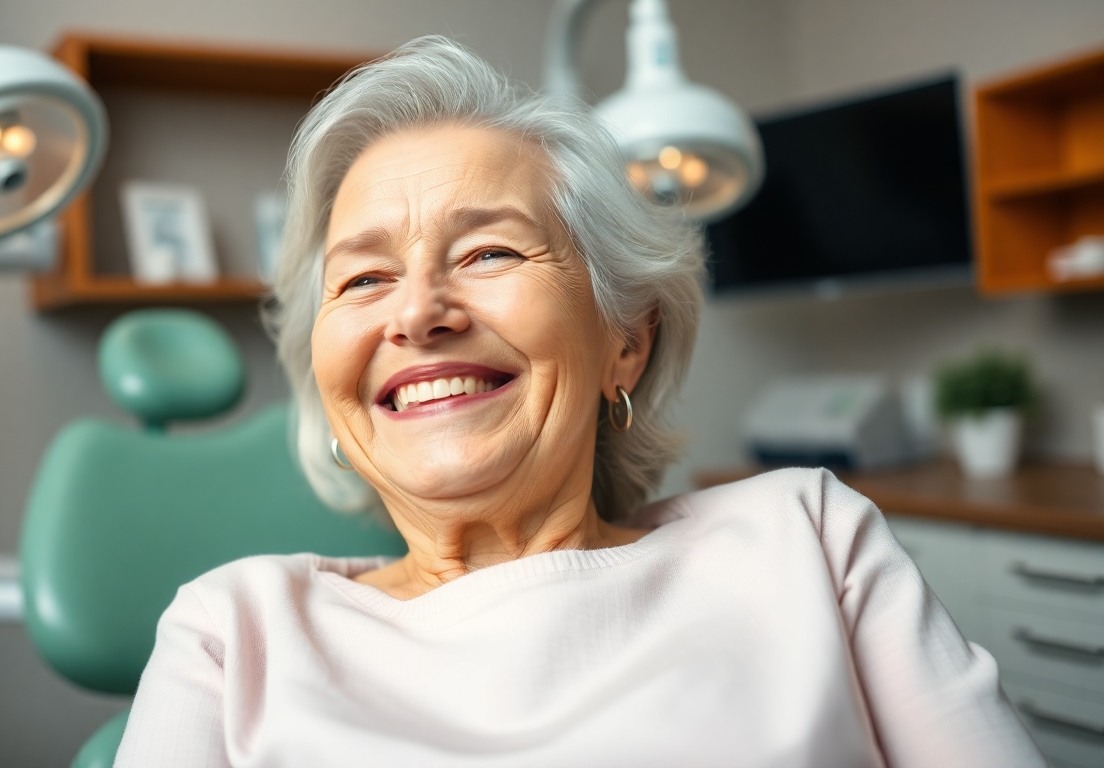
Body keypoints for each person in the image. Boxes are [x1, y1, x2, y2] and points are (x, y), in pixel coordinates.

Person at [113, 37, 1043, 767]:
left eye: (488, 253)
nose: (418, 313)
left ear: (624, 343)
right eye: (363, 279)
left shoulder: (809, 541)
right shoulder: (233, 634)